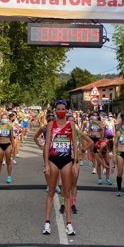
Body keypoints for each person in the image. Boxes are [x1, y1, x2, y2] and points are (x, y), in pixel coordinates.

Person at [43, 100, 79, 236]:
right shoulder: (51, 124)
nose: (61, 111)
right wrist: (46, 163)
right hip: (53, 160)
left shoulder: (71, 125)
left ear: (66, 110)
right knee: (51, 191)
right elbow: (47, 145)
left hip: (66, 160)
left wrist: (75, 163)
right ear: (55, 110)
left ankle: (69, 224)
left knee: (67, 192)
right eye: (58, 109)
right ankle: (47, 223)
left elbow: (74, 145)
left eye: (63, 109)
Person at [0, 112, 14, 184]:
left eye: (5, 118)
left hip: (8, 144)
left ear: (7, 119)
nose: (4, 119)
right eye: (3, 118)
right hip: (0, 145)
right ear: (1, 119)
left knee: (8, 162)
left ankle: (9, 177)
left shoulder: (10, 127)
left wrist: (13, 147)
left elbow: (12, 137)